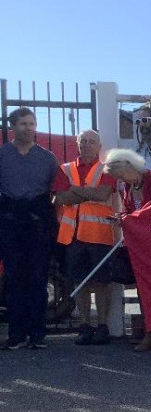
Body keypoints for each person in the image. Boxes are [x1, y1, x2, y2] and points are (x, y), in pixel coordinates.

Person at [104, 149, 151, 351]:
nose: (120, 179)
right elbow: (132, 211)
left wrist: (132, 219)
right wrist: (123, 217)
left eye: (121, 174)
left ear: (130, 165)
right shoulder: (128, 187)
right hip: (142, 247)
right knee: (145, 290)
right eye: (117, 177)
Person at [0, 107, 60, 349]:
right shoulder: (3, 155)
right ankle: (16, 335)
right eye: (23, 124)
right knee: (14, 279)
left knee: (38, 279)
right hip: (10, 221)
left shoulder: (47, 158)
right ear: (13, 126)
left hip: (38, 224)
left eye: (32, 123)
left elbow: (56, 192)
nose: (29, 128)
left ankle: (38, 334)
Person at [51, 129, 119, 346]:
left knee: (101, 283)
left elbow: (103, 194)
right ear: (77, 144)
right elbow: (59, 198)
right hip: (72, 237)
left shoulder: (106, 169)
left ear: (99, 146)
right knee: (80, 283)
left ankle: (102, 327)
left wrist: (74, 191)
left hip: (99, 235)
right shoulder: (65, 168)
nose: (87, 145)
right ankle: (85, 326)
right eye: (84, 141)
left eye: (92, 142)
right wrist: (87, 192)